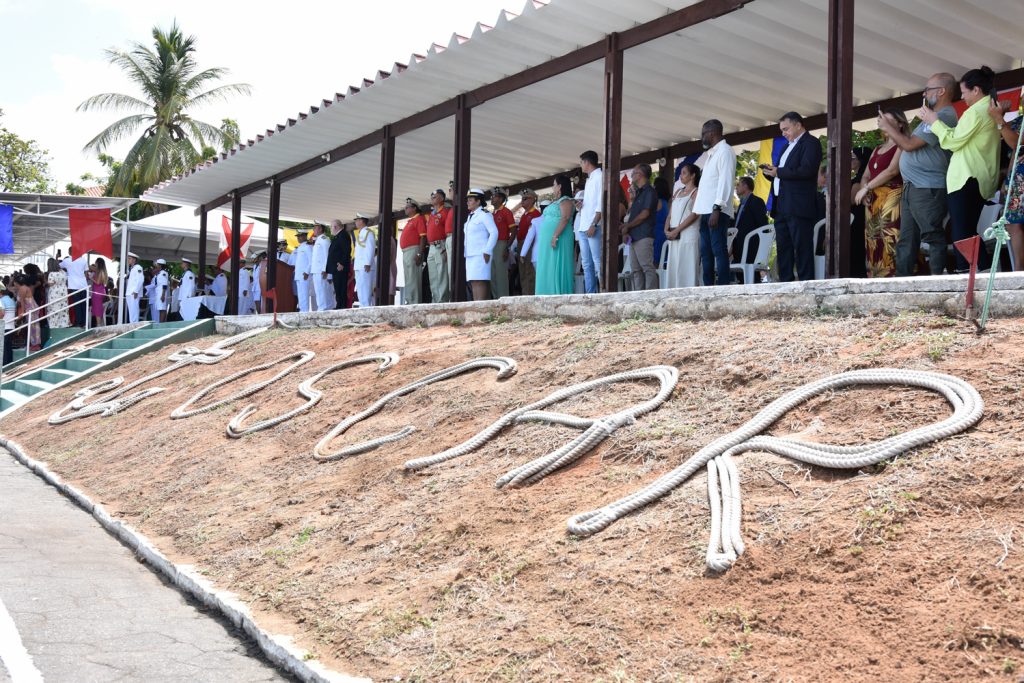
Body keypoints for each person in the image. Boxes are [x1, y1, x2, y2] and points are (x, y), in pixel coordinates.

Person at [920, 66, 1001, 272]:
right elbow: (958, 137)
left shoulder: (977, 111)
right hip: (973, 177)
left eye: (964, 92)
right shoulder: (985, 107)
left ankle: (975, 271)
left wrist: (934, 121)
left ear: (976, 90)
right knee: (964, 230)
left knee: (962, 232)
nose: (962, 97)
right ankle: (973, 271)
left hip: (968, 177)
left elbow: (953, 142)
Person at [876, 73, 959, 276]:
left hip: (928, 186)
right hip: (914, 186)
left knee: (932, 235)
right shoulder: (930, 117)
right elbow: (910, 143)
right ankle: (903, 283)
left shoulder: (944, 116)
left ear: (942, 91)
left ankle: (937, 282)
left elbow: (909, 145)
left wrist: (888, 127)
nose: (924, 93)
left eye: (928, 89)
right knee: (907, 238)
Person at [762, 112, 823, 281]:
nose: (783, 133)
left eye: (786, 129)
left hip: (799, 204)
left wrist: (779, 171)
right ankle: (785, 283)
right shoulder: (785, 146)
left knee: (802, 247)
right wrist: (771, 172)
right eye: (781, 130)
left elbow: (807, 170)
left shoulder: (811, 143)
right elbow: (783, 174)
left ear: (798, 125)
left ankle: (806, 284)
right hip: (781, 204)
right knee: (783, 248)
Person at [854, 109, 909, 278]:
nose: (882, 122)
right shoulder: (877, 148)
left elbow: (892, 170)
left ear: (900, 124)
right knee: (873, 239)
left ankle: (896, 275)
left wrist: (866, 188)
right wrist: (865, 191)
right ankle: (876, 278)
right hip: (873, 200)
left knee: (891, 236)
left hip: (892, 196)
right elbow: (865, 175)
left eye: (888, 119)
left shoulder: (903, 143)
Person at [693, 119, 738, 286]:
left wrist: (717, 208)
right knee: (706, 253)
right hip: (705, 211)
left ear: (711, 134)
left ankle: (723, 287)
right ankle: (708, 287)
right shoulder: (712, 154)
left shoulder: (725, 151)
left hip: (716, 211)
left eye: (703, 134)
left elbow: (725, 182)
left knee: (718, 251)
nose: (702, 137)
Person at [990, 99, 1024, 270]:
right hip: (1018, 179)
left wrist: (999, 120)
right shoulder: (1020, 120)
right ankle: (1018, 271)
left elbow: (1018, 143)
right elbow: (1014, 152)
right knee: (1012, 223)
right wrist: (1008, 178)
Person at [620, 165, 659, 290]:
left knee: (647, 267)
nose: (632, 175)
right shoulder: (639, 193)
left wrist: (628, 226)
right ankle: (638, 296)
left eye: (634, 173)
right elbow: (634, 216)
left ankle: (650, 296)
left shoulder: (649, 191)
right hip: (634, 236)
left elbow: (645, 214)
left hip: (644, 235)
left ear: (640, 174)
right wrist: (627, 230)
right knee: (636, 270)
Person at [535, 176, 576, 295]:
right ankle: (545, 292)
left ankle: (557, 292)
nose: (553, 187)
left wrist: (555, 236)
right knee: (547, 265)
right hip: (549, 240)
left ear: (560, 186)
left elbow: (565, 218)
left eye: (554, 184)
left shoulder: (566, 200)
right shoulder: (557, 201)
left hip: (560, 238)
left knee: (557, 265)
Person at [663, 163, 701, 289]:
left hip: (688, 233)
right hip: (674, 234)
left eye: (684, 173)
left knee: (687, 265)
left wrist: (677, 229)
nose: (681, 175)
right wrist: (666, 229)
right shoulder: (678, 191)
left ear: (693, 175)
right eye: (681, 172)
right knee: (674, 264)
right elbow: (670, 214)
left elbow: (695, 214)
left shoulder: (696, 192)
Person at [463, 188, 499, 301]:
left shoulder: (484, 214)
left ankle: (481, 307)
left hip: (481, 253)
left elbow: (494, 232)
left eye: (470, 199)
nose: (468, 202)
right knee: (474, 281)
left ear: (478, 201)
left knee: (480, 280)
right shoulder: (471, 216)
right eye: (467, 200)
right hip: (470, 254)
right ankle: (477, 306)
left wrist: (487, 250)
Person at [577, 150, 604, 294]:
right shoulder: (589, 179)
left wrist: (594, 224)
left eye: (581, 162)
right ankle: (590, 293)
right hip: (583, 225)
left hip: (593, 225)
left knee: (597, 261)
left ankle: (604, 292)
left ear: (587, 162)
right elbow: (592, 204)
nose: (581, 165)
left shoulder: (600, 176)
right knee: (586, 264)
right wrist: (581, 206)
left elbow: (601, 203)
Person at [731, 176, 769, 271]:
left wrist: (761, 246)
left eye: (738, 185)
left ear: (745, 186)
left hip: (751, 245)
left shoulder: (757, 201)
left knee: (752, 275)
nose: (736, 187)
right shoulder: (741, 204)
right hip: (739, 244)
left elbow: (763, 225)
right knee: (740, 275)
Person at [399, 199, 428, 305]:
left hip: (413, 250)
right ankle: (410, 300)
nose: (405, 209)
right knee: (408, 278)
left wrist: (419, 253)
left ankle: (414, 302)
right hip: (406, 251)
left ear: (414, 208)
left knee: (413, 278)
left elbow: (423, 237)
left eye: (408, 207)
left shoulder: (419, 219)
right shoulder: (410, 221)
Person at [425, 190, 452, 303]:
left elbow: (447, 230)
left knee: (442, 274)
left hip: (440, 245)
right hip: (431, 246)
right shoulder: (432, 214)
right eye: (432, 197)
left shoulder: (445, 212)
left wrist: (445, 248)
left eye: (435, 197)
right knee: (433, 276)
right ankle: (435, 300)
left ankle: (443, 300)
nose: (433, 198)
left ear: (442, 198)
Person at [516, 189, 542, 296]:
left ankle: (529, 294)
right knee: (522, 272)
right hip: (521, 244)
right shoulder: (524, 214)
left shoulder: (535, 214)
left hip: (530, 245)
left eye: (525, 199)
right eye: (522, 198)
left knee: (529, 272)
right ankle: (524, 293)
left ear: (532, 200)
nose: (522, 201)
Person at [490, 189, 515, 299]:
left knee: (501, 276)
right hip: (492, 245)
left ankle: (503, 299)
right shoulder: (492, 213)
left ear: (500, 198)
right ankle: (496, 299)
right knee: (493, 275)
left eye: (494, 196)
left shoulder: (506, 212)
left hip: (501, 244)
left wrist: (507, 247)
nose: (492, 198)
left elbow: (514, 230)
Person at [328, 219, 352, 308]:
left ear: (335, 227)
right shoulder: (339, 236)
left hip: (340, 268)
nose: (331, 229)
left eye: (331, 227)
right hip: (336, 268)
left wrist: (342, 263)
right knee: (338, 290)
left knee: (341, 290)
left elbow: (347, 250)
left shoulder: (343, 235)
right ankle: (339, 307)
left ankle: (341, 308)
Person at [353, 213, 376, 307]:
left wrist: (367, 263)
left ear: (362, 221)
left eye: (357, 220)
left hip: (365, 266)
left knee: (366, 290)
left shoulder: (368, 232)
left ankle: (366, 309)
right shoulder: (361, 232)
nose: (355, 222)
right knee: (360, 289)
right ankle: (362, 308)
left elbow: (370, 248)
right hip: (359, 265)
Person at [61, 254, 89, 327]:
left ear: (69, 252)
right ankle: (84, 322)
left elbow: (58, 266)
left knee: (77, 305)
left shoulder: (67, 260)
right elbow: (86, 273)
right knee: (83, 305)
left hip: (73, 285)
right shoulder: (83, 260)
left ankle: (79, 322)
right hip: (83, 285)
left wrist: (57, 257)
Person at [14, 275, 41, 351]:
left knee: (33, 327)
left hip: (29, 308)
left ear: (17, 283)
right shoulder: (25, 287)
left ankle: (35, 344)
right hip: (31, 307)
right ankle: (35, 344)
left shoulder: (22, 289)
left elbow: (22, 302)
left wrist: (22, 312)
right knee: (34, 326)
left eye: (14, 283)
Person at [310, 222, 332, 310]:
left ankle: (323, 310)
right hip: (316, 270)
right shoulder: (318, 240)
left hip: (321, 271)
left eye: (315, 228)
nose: (313, 230)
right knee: (319, 292)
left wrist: (326, 270)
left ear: (320, 229)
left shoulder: (324, 239)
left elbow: (328, 255)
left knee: (322, 292)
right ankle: (322, 309)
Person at [653, 175, 671, 276]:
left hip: (656, 236)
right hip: (661, 235)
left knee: (654, 265)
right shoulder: (665, 203)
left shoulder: (657, 202)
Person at [45, 258, 70, 329]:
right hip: (63, 292)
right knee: (63, 308)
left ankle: (54, 325)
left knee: (54, 309)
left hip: (54, 293)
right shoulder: (63, 272)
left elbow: (51, 283)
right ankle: (64, 324)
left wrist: (46, 283)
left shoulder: (51, 274)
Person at [293, 231, 313, 312]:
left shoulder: (308, 247)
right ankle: (302, 311)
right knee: (300, 296)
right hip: (298, 275)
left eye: (300, 236)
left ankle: (305, 312)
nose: (298, 238)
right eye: (297, 236)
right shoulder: (300, 247)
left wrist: (307, 272)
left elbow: (311, 261)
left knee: (304, 295)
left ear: (305, 236)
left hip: (304, 275)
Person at [123, 252, 144, 323]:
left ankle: (134, 325)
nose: (128, 260)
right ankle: (132, 324)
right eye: (128, 258)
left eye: (129, 258)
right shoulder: (132, 268)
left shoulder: (138, 267)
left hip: (134, 293)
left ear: (134, 260)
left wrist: (136, 291)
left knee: (134, 311)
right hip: (130, 293)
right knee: (131, 311)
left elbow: (140, 279)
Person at [89, 257, 109, 327]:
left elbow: (98, 282)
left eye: (96, 262)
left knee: (97, 309)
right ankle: (99, 324)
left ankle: (98, 325)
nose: (95, 263)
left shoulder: (100, 272)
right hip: (99, 291)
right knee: (97, 308)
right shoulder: (102, 271)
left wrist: (91, 278)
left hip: (97, 292)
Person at [1, 283, 16, 365]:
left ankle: (4, 365)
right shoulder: (11, 300)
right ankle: (9, 363)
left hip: (4, 326)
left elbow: (2, 313)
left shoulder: (1, 301)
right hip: (11, 326)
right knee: (8, 346)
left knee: (3, 348)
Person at [152, 258, 170, 322]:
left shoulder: (163, 273)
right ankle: (160, 322)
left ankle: (162, 323)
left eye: (157, 264)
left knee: (162, 309)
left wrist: (163, 295)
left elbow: (164, 285)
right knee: (160, 308)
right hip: (159, 292)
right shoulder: (159, 273)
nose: (156, 266)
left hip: (162, 293)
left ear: (160, 265)